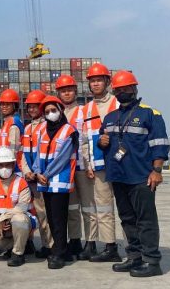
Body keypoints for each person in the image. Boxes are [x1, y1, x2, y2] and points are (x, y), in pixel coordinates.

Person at [100, 71, 169, 277]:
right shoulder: (111, 117)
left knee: (145, 220)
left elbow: (160, 145)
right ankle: (134, 257)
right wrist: (100, 142)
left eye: (126, 88)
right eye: (118, 90)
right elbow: (105, 142)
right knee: (127, 219)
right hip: (118, 175)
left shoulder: (150, 114)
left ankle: (152, 261)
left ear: (135, 88)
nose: (122, 92)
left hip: (141, 176)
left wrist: (157, 171)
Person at [77, 63, 122, 262]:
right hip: (92, 167)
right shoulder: (87, 109)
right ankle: (91, 243)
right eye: (92, 81)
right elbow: (84, 140)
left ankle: (110, 246)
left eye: (98, 80)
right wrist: (87, 164)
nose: (95, 84)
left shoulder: (117, 104)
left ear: (107, 81)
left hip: (111, 164)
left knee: (104, 207)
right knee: (88, 208)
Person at [32, 96, 78, 270]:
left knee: (59, 218)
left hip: (59, 181)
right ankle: (61, 249)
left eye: (53, 110)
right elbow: (38, 154)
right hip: (44, 181)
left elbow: (63, 158)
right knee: (51, 217)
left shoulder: (69, 131)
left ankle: (58, 253)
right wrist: (37, 173)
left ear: (60, 110)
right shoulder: (42, 131)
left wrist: (46, 173)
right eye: (47, 112)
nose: (50, 114)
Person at [0, 147, 34, 267]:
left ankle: (18, 254)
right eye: (1, 165)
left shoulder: (21, 183)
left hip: (21, 220)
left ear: (13, 164)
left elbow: (22, 207)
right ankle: (22, 243)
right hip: (1, 222)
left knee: (19, 220)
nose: (4, 168)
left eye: (7, 165)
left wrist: (4, 217)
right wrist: (0, 220)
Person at [55, 74, 86, 258]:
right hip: (64, 168)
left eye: (69, 90)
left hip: (82, 164)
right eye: (63, 91)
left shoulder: (84, 111)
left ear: (75, 91)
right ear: (58, 93)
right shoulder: (54, 114)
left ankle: (87, 242)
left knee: (88, 207)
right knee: (71, 207)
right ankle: (73, 240)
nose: (66, 93)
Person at [20, 89, 53, 259]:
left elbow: (48, 153)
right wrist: (27, 172)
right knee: (40, 214)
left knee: (50, 213)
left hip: (45, 177)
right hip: (32, 178)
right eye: (29, 107)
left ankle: (54, 245)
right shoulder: (27, 128)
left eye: (35, 107)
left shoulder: (48, 126)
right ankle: (47, 244)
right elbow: (24, 154)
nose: (32, 110)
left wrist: (39, 172)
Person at [0, 89, 24, 173]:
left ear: (14, 106)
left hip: (13, 168)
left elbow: (14, 149)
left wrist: (9, 168)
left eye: (7, 104)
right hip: (8, 167)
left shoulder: (13, 123)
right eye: (2, 104)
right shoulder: (8, 122)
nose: (4, 106)